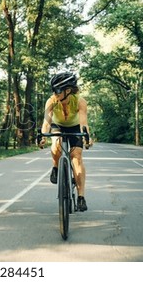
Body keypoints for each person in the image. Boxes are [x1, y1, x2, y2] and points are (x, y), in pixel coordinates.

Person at [39, 72, 93, 211]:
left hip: (75, 127)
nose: (54, 93)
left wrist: (86, 137)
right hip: (58, 126)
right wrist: (43, 136)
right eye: (53, 90)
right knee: (56, 144)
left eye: (57, 90)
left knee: (77, 157)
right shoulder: (51, 101)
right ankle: (56, 166)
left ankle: (81, 197)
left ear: (67, 90)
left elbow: (83, 123)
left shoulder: (80, 101)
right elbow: (46, 121)